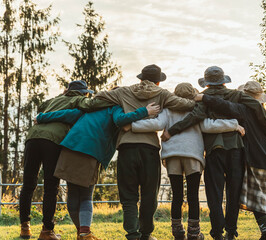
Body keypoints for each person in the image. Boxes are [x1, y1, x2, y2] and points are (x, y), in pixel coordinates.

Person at [161, 66, 266, 240]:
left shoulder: (203, 99)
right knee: (233, 193)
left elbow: (195, 117)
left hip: (214, 151)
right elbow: (257, 108)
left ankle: (217, 233)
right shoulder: (236, 96)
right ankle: (230, 231)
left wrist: (172, 131)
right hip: (236, 149)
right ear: (223, 80)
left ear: (206, 82)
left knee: (214, 194)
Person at [128, 83, 244, 240]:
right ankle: (194, 232)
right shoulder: (197, 109)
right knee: (193, 196)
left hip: (173, 155)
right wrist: (234, 125)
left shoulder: (168, 110)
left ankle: (177, 231)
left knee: (177, 195)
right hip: (192, 155)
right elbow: (210, 126)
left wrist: (132, 125)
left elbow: (156, 124)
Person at [95, 64, 197, 240]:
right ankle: (146, 233)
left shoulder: (123, 92)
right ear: (158, 81)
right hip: (149, 149)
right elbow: (186, 104)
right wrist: (198, 98)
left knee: (128, 195)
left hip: (126, 148)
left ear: (140, 78)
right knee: (149, 194)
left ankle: (132, 234)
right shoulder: (162, 94)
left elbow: (99, 97)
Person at [36, 99, 160, 240]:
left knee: (73, 194)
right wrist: (145, 111)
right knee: (86, 196)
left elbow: (66, 114)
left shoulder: (91, 108)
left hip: (70, 147)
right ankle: (84, 233)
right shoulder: (116, 108)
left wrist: (40, 117)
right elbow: (121, 120)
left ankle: (82, 232)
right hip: (90, 150)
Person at [19, 80, 113, 240]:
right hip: (52, 140)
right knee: (51, 186)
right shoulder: (78, 100)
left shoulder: (55, 100)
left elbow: (42, 105)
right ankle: (47, 231)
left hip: (32, 138)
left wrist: (61, 96)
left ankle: (25, 229)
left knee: (28, 184)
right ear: (83, 93)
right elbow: (90, 105)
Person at [196, 81, 266, 240]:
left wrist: (203, 97)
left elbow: (224, 106)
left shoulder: (242, 110)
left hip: (255, 160)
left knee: (257, 198)